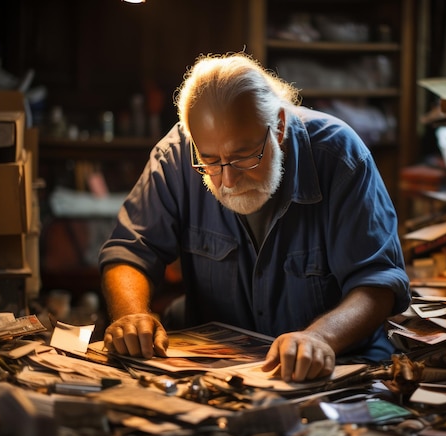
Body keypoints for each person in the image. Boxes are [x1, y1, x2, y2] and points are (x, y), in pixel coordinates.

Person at [99, 51, 411, 383]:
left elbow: (378, 284)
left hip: (340, 367)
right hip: (219, 371)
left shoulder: (339, 156)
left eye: (244, 156)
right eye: (210, 161)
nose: (228, 180)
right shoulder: (176, 154)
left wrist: (321, 338)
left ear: (278, 126)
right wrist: (131, 315)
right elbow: (129, 251)